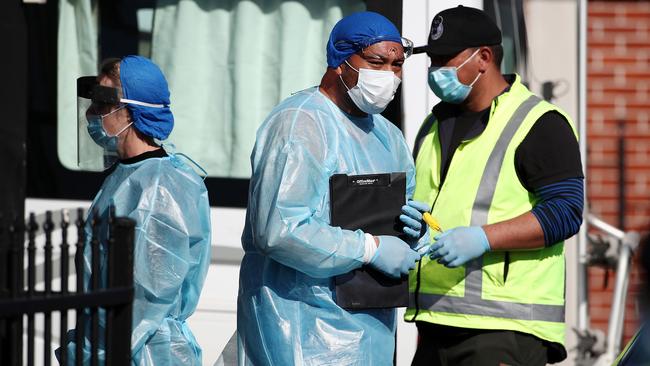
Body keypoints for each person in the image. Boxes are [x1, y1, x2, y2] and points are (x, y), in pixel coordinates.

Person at [237, 11, 424, 365]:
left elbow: (395, 221)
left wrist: (415, 231)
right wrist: (369, 248)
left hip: (371, 333)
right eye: (376, 62)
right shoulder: (300, 124)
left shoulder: (389, 137)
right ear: (340, 61)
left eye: (397, 65)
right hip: (301, 332)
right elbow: (279, 231)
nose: (389, 76)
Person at [402, 6, 584, 366]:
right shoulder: (432, 125)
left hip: (505, 330)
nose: (435, 70)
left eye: (445, 59)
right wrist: (417, 226)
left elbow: (565, 213)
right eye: (432, 59)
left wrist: (482, 238)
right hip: (435, 322)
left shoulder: (540, 123)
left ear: (483, 57)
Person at [57, 55, 211, 365]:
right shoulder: (124, 175)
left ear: (132, 110)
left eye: (102, 104)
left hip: (143, 354)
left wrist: (98, 353)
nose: (91, 113)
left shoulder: (160, 185)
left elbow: (145, 299)